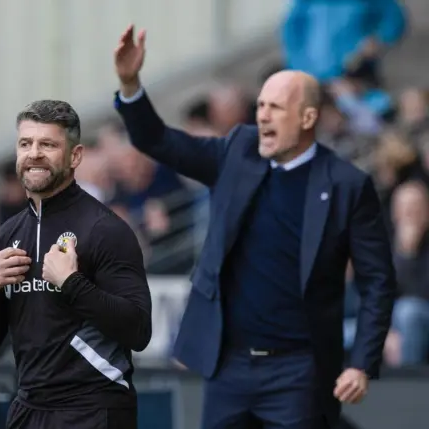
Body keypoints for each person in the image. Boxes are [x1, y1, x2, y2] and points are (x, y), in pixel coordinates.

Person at [112, 25, 396, 429]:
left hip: (299, 368)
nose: (262, 115)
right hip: (229, 365)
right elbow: (159, 141)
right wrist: (130, 84)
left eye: (276, 108)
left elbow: (378, 282)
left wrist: (362, 364)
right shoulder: (238, 150)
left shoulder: (347, 185)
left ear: (308, 117)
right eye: (260, 105)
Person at [0, 100, 152, 429]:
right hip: (28, 407)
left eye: (48, 144)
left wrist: (72, 284)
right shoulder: (8, 235)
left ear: (74, 156)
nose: (34, 153)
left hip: (93, 409)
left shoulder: (105, 229)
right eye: (26, 144)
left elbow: (138, 330)